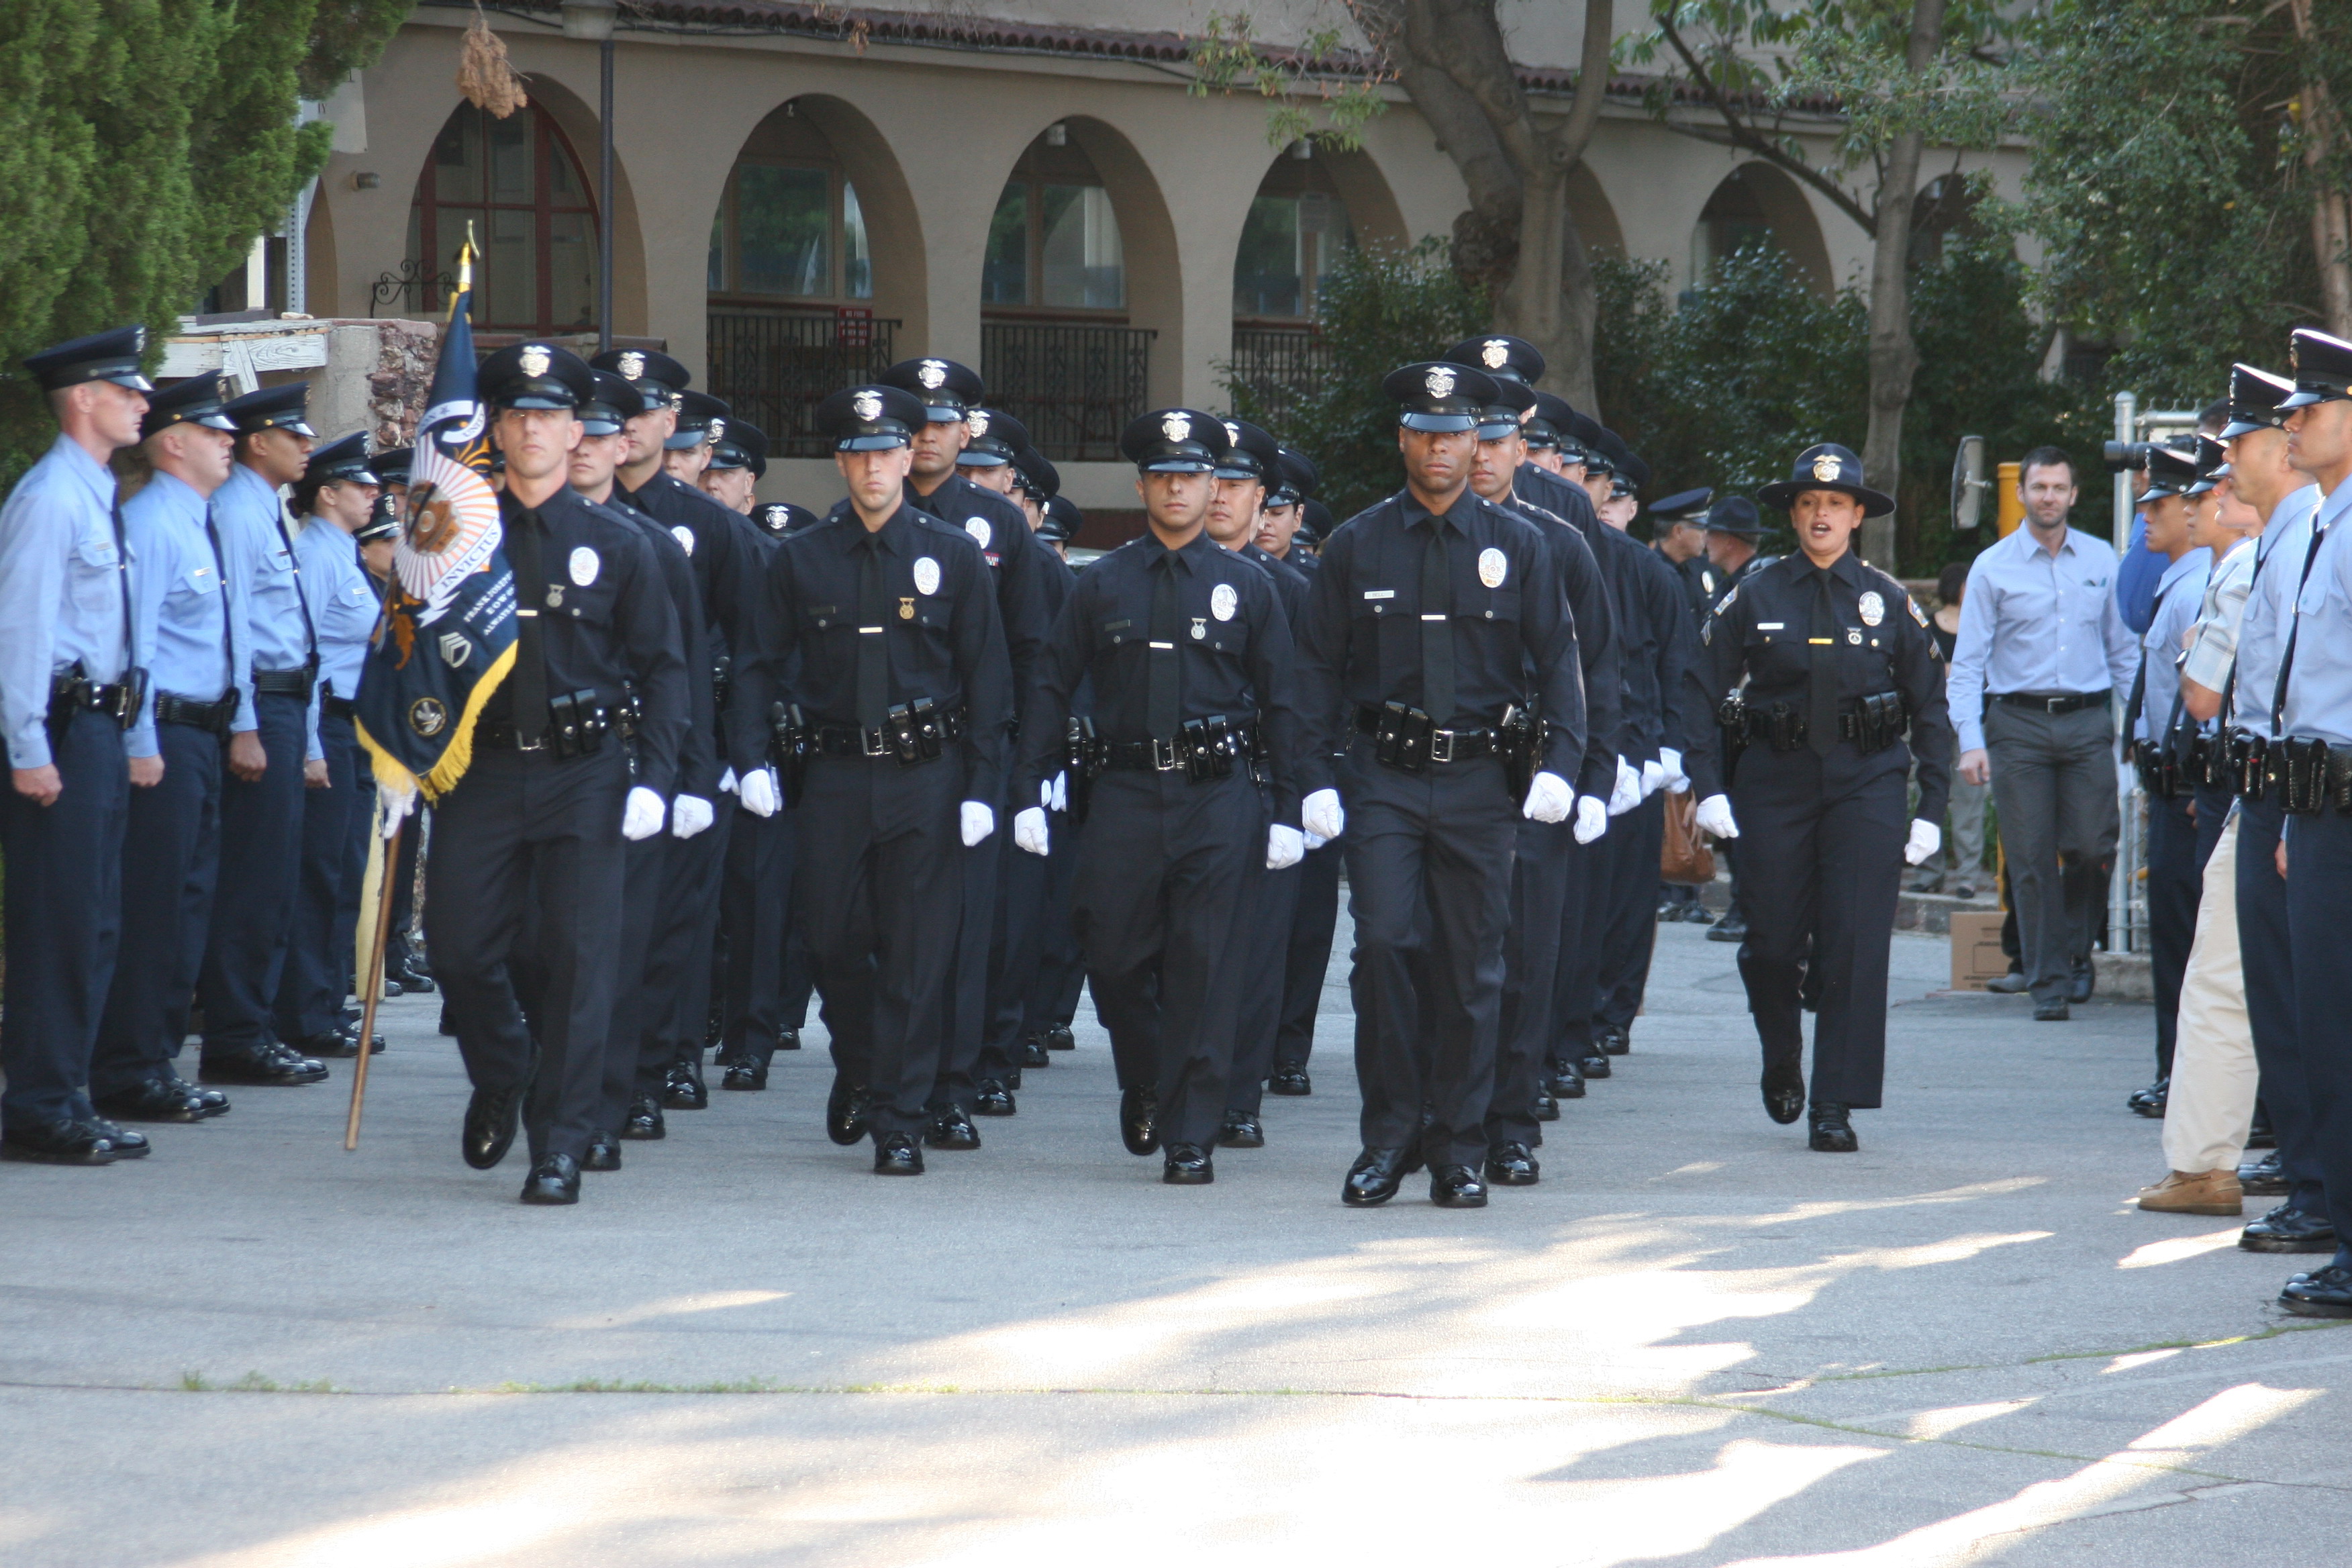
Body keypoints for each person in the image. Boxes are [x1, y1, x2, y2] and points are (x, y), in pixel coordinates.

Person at [384, 342, 688, 1204]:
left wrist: (654, 781)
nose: (532, 429)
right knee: (459, 948)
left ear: (575, 430)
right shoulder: (453, 534)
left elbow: (666, 669)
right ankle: (505, 1063)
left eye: (549, 415)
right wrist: (400, 747)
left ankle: (560, 1142)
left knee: (582, 960)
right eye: (516, 414)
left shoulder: (621, 544)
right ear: (498, 427)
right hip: (479, 770)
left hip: (585, 773)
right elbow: (408, 649)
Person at [1294, 361, 1585, 1209]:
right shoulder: (1356, 543)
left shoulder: (1520, 546)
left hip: (1479, 784)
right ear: (1404, 441)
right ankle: (1388, 1138)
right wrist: (1312, 778)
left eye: (1455, 434)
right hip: (1383, 778)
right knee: (1383, 945)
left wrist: (1563, 767)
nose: (1439, 447)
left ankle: (1459, 1146)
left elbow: (1559, 663)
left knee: (1470, 968)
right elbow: (1314, 669)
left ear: (1477, 443)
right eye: (1424, 432)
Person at [1009, 410, 1303, 1182]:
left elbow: (1285, 702)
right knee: (1111, 952)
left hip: (1219, 797)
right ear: (1143, 486)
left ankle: (1190, 1133)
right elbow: (1050, 681)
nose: (1177, 488)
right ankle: (1144, 1075)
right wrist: (1028, 788)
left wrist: (1295, 805)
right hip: (1124, 792)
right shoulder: (1101, 582)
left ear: (1213, 487)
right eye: (1163, 476)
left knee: (1205, 966)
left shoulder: (1249, 585)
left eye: (1192, 476)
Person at [730, 383, 1010, 1175]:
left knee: (918, 954)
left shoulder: (951, 554)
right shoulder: (802, 557)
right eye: (859, 454)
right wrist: (750, 759)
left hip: (929, 775)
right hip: (836, 775)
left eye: (887, 451)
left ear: (907, 454)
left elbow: (989, 681)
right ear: (841, 462)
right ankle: (859, 1063)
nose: (874, 467)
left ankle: (899, 1116)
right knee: (832, 941)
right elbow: (756, 665)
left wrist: (988, 790)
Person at [1683, 444, 1951, 1150]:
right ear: (1794, 516)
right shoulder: (1756, 593)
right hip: (1775, 780)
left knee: (1854, 944)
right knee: (1771, 944)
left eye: (1835, 503)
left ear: (1858, 514)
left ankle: (1834, 1100)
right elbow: (1699, 691)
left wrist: (1930, 809)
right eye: (1808, 504)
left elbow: (1931, 710)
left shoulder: (1890, 599)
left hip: (1867, 782)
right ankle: (1781, 1053)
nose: (1821, 514)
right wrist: (1707, 787)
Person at [876, 356, 1048, 1137]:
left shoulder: (998, 522)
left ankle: (951, 1082)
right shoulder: (858, 514)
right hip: (873, 758)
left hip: (972, 751)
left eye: (946, 423)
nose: (931, 436)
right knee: (868, 929)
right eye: (919, 423)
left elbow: (1032, 652)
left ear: (966, 431)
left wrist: (1026, 767)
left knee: (964, 927)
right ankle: (874, 1073)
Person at [1, 328, 156, 1165]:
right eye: (125, 389)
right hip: (59, 725)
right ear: (83, 398)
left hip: (98, 724)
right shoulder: (50, 496)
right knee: (58, 923)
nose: (142, 401)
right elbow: (20, 630)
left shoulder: (95, 491)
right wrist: (28, 744)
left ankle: (66, 1091)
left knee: (94, 920)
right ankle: (37, 1103)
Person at [2137, 375, 2282, 1218]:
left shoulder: (2268, 550)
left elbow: (2202, 692)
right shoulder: (2279, 545)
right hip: (2267, 782)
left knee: (2245, 983)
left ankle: (2279, 1170)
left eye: (2230, 459)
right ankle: (2218, 1166)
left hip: (2283, 784)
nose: (2216, 481)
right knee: (2232, 980)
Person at [564, 367, 717, 1167]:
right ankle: (534, 1086)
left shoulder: (654, 545)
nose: (585, 449)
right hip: (531, 768)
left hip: (624, 766)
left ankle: (603, 1105)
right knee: (532, 948)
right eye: (575, 432)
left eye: (599, 436)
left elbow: (678, 670)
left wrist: (688, 778)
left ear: (623, 445)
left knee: (617, 950)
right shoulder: (503, 530)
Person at [591, 348, 745, 1113]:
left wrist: (731, 757)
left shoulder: (706, 525)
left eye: (644, 409)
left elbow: (750, 643)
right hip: (588, 741)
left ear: (670, 422)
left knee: (670, 922)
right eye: (614, 410)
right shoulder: (572, 514)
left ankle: (661, 1064)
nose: (628, 424)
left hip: (682, 742)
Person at [1947, 448, 2138, 1020]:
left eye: (2058, 487)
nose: (2049, 497)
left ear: (2074, 495)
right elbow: (1968, 664)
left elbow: (2123, 654)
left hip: (2086, 721)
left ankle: (2077, 955)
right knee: (2029, 858)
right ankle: (2048, 979)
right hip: (2017, 725)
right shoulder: (1992, 566)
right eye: (2039, 487)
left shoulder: (2103, 559)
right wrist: (1970, 738)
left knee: (2090, 848)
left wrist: (2139, 731)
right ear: (2023, 494)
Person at [197, 383, 333, 1088]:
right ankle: (237, 1032)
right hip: (262, 705)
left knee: (275, 873)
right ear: (260, 441)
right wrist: (246, 722)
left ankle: (251, 1023)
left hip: (286, 703)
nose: (309, 446)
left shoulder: (264, 507)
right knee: (254, 878)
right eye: (296, 435)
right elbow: (239, 625)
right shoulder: (239, 511)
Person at [2259, 326, 2352, 1314]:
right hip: (2322, 801)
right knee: (2327, 1027)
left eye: (2311, 408)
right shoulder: (2328, 519)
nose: (2293, 423)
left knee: (2337, 1028)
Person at [2124, 441, 2215, 1098]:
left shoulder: (2200, 584)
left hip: (2189, 788)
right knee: (2174, 938)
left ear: (2193, 507)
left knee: (2186, 945)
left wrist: (2199, 783)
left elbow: (2209, 694)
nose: (2144, 510)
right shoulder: (2177, 577)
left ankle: (2183, 1075)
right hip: (2171, 783)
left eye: (2158, 502)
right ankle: (2173, 1070)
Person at [1699, 495, 1775, 944]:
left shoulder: (1757, 582)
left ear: (1728, 539)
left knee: (1746, 818)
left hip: (1750, 721)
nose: (1705, 540)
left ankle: (1749, 907)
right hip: (1732, 718)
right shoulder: (1734, 582)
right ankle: (1745, 904)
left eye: (1711, 533)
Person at [1906, 562, 1988, 897]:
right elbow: (1917, 667)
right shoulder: (1926, 624)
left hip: (1971, 721)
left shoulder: (1982, 625)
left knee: (1971, 799)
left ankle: (1968, 875)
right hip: (1933, 719)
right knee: (1929, 793)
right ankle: (1929, 870)